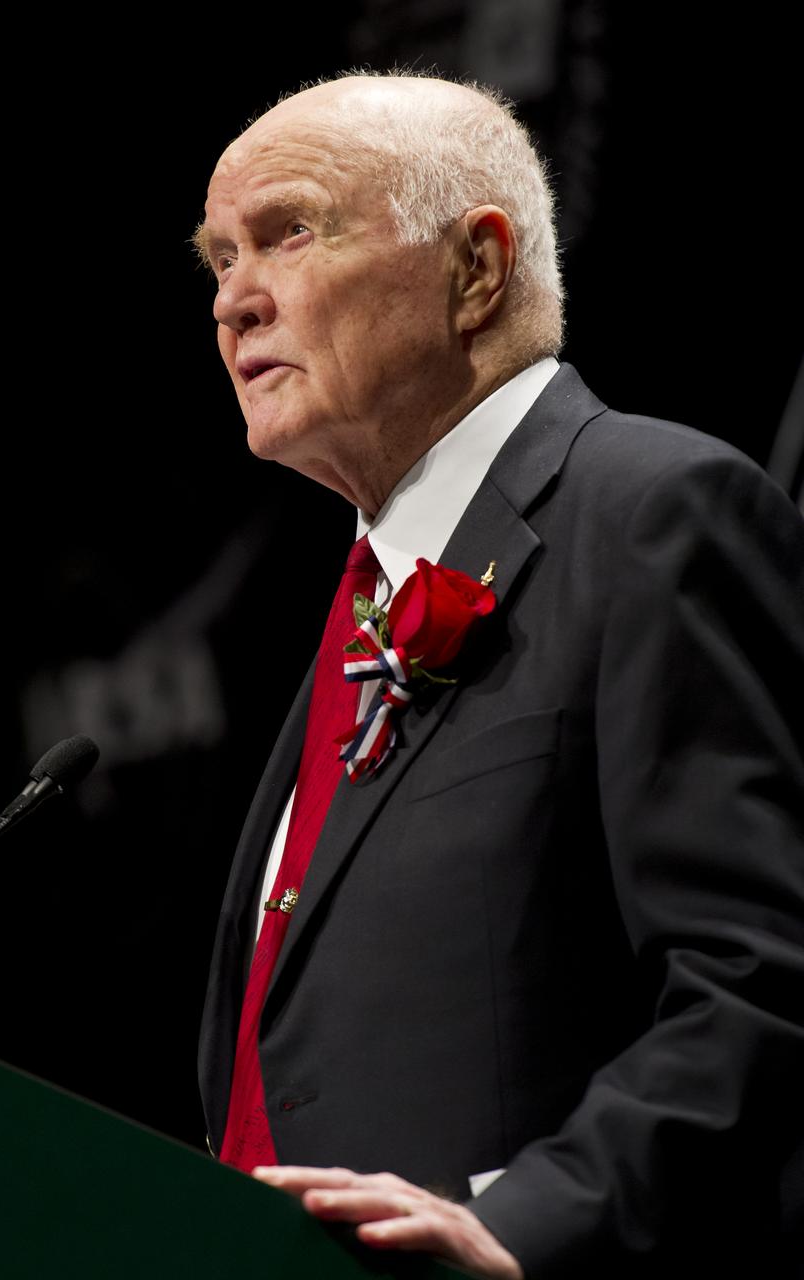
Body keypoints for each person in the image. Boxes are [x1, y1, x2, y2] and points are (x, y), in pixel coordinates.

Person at [194, 72, 804, 1278]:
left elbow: (761, 976)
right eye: (216, 260)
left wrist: (524, 1220)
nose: (233, 302)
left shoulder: (649, 513)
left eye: (290, 233)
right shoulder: (353, 609)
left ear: (476, 270)